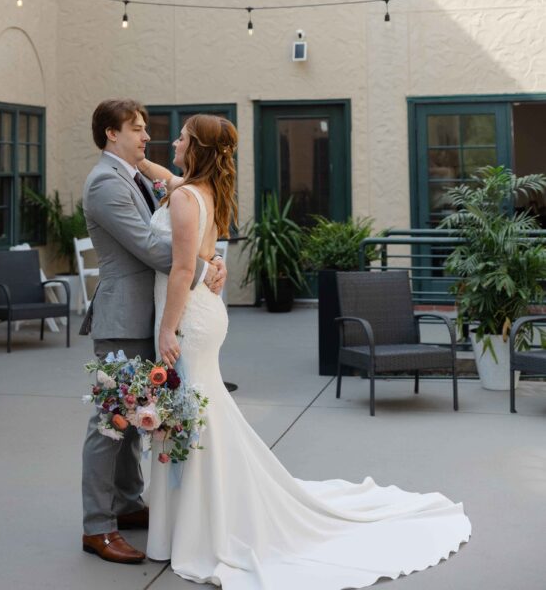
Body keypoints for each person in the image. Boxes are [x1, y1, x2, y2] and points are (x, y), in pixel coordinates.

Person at [138, 113, 472, 589]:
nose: (172, 141)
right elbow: (173, 186)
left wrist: (166, 330)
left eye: (182, 137)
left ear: (198, 149)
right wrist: (138, 161)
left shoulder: (187, 199)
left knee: (193, 415)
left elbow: (178, 269)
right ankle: (194, 517)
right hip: (202, 314)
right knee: (198, 413)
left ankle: (202, 526)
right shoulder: (199, 190)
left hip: (187, 320)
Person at [79, 99, 226, 565]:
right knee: (109, 423)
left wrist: (210, 258)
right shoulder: (105, 183)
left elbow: (187, 195)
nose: (147, 136)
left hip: (149, 313)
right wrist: (203, 268)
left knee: (134, 417)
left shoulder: (132, 173)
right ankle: (97, 528)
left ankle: (127, 503)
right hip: (124, 317)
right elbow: (146, 245)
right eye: (137, 129)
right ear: (110, 135)